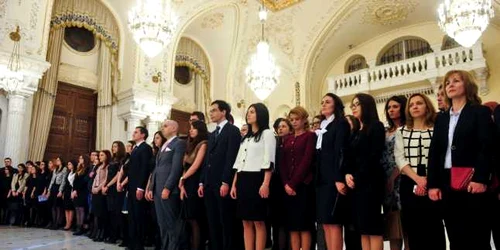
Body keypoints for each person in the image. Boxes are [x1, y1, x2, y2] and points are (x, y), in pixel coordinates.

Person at [428, 70, 494, 250]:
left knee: (477, 238)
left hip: (472, 181)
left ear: (467, 86)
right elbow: (434, 153)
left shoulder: (480, 112)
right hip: (447, 182)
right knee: (455, 237)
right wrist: (433, 184)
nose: (450, 85)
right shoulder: (441, 118)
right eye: (447, 82)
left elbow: (486, 147)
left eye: (456, 81)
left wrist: (480, 178)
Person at [394, 93, 445, 250]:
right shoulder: (401, 131)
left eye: (419, 103)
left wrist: (429, 180)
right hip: (410, 183)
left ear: (427, 106)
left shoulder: (437, 129)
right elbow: (400, 159)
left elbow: (441, 156)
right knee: (414, 230)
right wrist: (418, 179)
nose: (415, 106)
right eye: (411, 104)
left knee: (435, 228)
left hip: (434, 182)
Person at [230, 103, 276, 250]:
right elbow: (239, 163)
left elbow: (269, 160)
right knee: (246, 221)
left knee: (259, 221)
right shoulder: (246, 138)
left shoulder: (267, 134)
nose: (248, 114)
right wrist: (234, 184)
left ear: (260, 114)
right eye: (248, 112)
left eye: (252, 112)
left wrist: (266, 184)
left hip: (258, 179)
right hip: (243, 179)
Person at [199, 100, 243, 250]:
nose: (210, 113)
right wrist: (201, 182)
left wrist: (226, 181)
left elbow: (231, 158)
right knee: (212, 221)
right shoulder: (212, 134)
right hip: (209, 183)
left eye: (214, 110)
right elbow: (207, 160)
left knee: (226, 221)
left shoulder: (233, 131)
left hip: (222, 183)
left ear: (224, 112)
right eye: (210, 111)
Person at [345, 93, 385, 250]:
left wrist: (357, 176)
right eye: (352, 105)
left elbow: (373, 156)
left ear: (366, 106)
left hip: (370, 183)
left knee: (373, 228)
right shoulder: (356, 130)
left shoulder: (376, 126)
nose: (353, 107)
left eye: (357, 104)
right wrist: (348, 173)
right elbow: (349, 156)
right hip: (356, 184)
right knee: (362, 228)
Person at [315, 93, 351, 250]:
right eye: (322, 102)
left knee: (334, 223)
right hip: (322, 179)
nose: (323, 104)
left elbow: (340, 151)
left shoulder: (340, 124)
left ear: (335, 105)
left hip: (333, 179)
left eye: (327, 102)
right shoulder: (323, 126)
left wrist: (338, 178)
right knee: (326, 223)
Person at [280, 106, 316, 250]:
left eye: (297, 119)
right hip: (288, 186)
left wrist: (293, 184)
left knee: (305, 225)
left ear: (304, 119)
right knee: (293, 225)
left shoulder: (310, 136)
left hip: (303, 186)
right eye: (292, 120)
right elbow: (282, 163)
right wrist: (286, 184)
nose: (294, 122)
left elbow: (307, 161)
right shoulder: (287, 139)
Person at [149, 120, 187, 250]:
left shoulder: (179, 143)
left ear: (174, 128)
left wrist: (168, 187)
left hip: (168, 189)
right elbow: (157, 168)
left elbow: (176, 168)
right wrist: (150, 187)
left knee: (172, 224)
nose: (162, 128)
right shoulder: (164, 144)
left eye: (165, 126)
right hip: (157, 188)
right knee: (162, 223)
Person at [381, 95, 407, 250]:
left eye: (395, 106)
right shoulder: (385, 130)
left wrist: (393, 177)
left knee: (406, 225)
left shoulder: (407, 128)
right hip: (386, 181)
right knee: (393, 231)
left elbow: (405, 155)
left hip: (402, 178)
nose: (391, 110)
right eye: (389, 107)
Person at [179, 120, 208, 250]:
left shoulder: (203, 144)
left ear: (200, 130)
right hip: (187, 181)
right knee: (188, 219)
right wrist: (182, 182)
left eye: (193, 128)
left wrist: (183, 178)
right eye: (190, 128)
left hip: (196, 181)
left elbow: (196, 165)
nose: (190, 130)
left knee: (195, 219)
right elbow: (185, 165)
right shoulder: (189, 144)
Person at [128, 126, 153, 250]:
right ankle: (132, 243)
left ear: (143, 135)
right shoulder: (135, 148)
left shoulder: (146, 148)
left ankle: (139, 244)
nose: (133, 133)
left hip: (138, 187)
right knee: (132, 215)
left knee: (139, 216)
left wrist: (141, 188)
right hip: (131, 187)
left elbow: (144, 169)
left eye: (136, 132)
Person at [92, 150, 111, 242]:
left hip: (101, 192)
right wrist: (93, 188)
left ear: (107, 156)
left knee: (102, 213)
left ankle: (103, 232)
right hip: (95, 191)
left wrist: (98, 189)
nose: (100, 157)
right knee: (96, 214)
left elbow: (106, 179)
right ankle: (98, 231)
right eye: (99, 155)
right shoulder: (99, 166)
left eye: (102, 155)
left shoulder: (108, 166)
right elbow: (95, 178)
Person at [47, 157, 68, 229]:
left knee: (57, 206)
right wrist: (49, 189)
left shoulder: (64, 169)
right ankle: (53, 222)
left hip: (58, 188)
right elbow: (52, 180)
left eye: (58, 160)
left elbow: (63, 181)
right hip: (53, 187)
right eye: (57, 160)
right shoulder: (55, 169)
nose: (57, 161)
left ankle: (57, 223)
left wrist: (60, 191)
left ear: (62, 161)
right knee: (53, 206)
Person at [72, 154, 90, 235]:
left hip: (82, 191)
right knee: (77, 209)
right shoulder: (79, 168)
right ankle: (78, 226)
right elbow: (75, 181)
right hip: (76, 191)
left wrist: (77, 190)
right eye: (79, 158)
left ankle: (81, 227)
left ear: (85, 159)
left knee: (81, 209)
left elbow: (84, 181)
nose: (80, 159)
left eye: (81, 158)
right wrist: (74, 190)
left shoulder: (87, 169)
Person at [63, 160, 77, 230]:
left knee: (70, 208)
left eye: (70, 164)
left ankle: (70, 223)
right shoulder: (68, 173)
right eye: (68, 164)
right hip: (67, 191)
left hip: (71, 191)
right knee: (66, 208)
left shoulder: (76, 173)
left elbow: (74, 183)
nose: (68, 166)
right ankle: (67, 222)